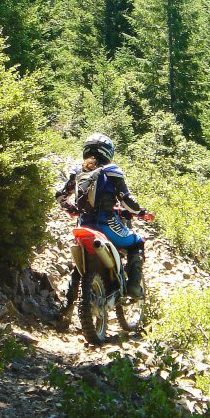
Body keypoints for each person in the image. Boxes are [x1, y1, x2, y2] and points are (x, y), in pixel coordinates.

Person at [55, 133, 149, 318]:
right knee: (137, 242)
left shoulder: (78, 171)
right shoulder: (112, 171)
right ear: (108, 152)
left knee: (79, 267)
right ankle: (133, 287)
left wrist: (72, 209)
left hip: (83, 224)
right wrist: (141, 212)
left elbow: (60, 195)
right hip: (108, 223)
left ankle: (67, 308)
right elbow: (126, 200)